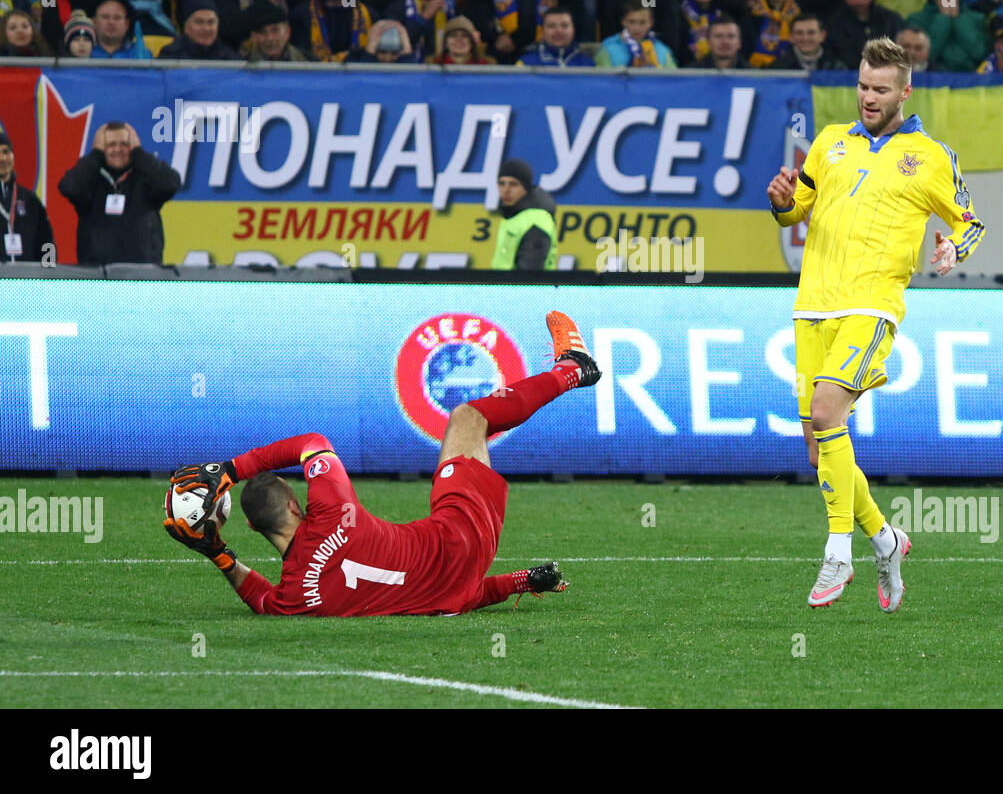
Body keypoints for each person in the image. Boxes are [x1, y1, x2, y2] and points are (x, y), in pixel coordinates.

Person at [163, 311, 603, 616]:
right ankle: (572, 369)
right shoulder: (334, 513)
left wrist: (217, 553)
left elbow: (263, 601)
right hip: (456, 535)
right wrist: (230, 469)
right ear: (297, 506)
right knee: (470, 417)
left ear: (255, 529)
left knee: (424, 581)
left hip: (460, 576)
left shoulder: (296, 597)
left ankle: (571, 370)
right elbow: (313, 444)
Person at [766, 36, 984, 613]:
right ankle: (886, 540)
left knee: (826, 411)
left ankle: (839, 552)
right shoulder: (829, 143)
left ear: (905, 92)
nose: (868, 96)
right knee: (819, 448)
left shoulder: (931, 156)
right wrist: (782, 200)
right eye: (863, 85)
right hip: (812, 305)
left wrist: (951, 250)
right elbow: (797, 210)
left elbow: (970, 221)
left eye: (880, 89)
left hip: (872, 305)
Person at [57, 120, 181, 265]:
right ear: (102, 148)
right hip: (97, 277)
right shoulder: (91, 178)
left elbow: (170, 184)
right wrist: (96, 153)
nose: (118, 149)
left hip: (143, 276)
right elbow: (69, 187)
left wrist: (138, 152)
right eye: (111, 145)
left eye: (124, 144)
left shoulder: (145, 176)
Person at [0, 129, 56, 264]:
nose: (2, 158)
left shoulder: (29, 199)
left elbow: (47, 240)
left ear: (13, 155)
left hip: (25, 282)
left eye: (6, 152)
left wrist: (48, 274)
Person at [492, 158, 557, 271]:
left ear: (525, 188)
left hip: (524, 288)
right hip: (504, 287)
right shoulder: (513, 216)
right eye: (501, 183)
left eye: (513, 184)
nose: (506, 190)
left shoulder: (536, 221)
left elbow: (529, 277)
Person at [595, 0, 676, 67]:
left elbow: (674, 82)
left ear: (651, 23)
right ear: (623, 22)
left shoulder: (662, 51)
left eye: (642, 22)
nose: (637, 28)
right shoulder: (608, 49)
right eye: (632, 22)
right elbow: (602, 82)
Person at [157, 0, 239, 58]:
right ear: (186, 27)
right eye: (198, 22)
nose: (206, 28)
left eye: (211, 22)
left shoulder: (230, 58)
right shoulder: (170, 56)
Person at [516, 6, 595, 66]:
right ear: (542, 32)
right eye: (551, 26)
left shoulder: (589, 64)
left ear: (573, 30)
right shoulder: (525, 63)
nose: (558, 31)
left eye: (564, 25)